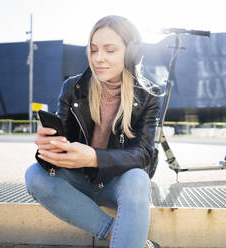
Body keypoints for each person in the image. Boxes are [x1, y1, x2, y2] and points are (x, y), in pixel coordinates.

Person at [25, 15, 161, 248]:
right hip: (79, 178)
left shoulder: (148, 95)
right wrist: (48, 147)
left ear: (131, 54)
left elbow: (144, 154)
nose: (99, 59)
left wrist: (95, 157)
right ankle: (116, 235)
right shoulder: (72, 87)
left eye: (110, 50)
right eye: (94, 49)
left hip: (119, 185)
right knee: (34, 175)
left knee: (138, 177)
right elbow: (63, 143)